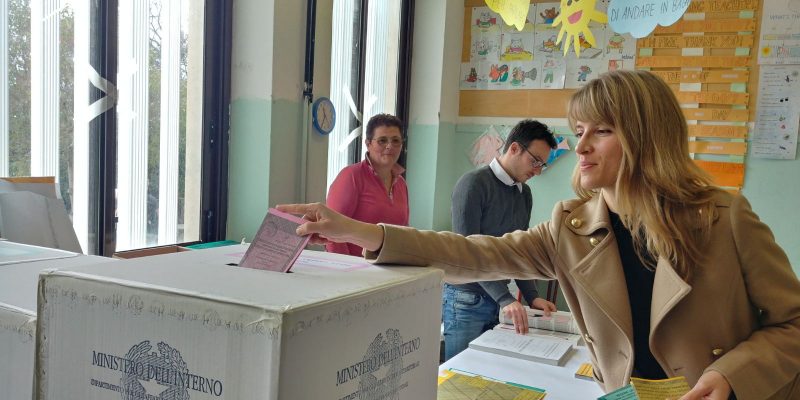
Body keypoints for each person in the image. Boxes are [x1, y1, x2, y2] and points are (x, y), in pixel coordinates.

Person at [279, 70, 800, 400]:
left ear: (647, 136)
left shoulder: (723, 218)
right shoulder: (572, 226)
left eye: (602, 130)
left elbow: (792, 323)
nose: (581, 148)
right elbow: (472, 253)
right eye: (580, 132)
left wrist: (730, 375)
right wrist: (360, 232)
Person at [443, 119, 558, 361]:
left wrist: (532, 296)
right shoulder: (473, 184)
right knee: (459, 373)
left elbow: (519, 250)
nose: (538, 171)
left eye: (542, 165)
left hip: (497, 299)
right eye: (535, 161)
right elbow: (468, 252)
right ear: (514, 148)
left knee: (489, 371)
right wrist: (505, 298)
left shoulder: (524, 194)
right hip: (467, 299)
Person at [325, 113, 408, 256]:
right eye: (382, 141)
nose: (389, 146)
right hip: (355, 267)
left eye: (395, 140)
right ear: (368, 144)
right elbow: (331, 230)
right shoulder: (351, 176)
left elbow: (404, 232)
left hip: (391, 266)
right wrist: (346, 267)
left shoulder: (401, 184)